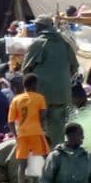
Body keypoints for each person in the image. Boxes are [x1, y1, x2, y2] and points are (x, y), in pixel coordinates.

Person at [21, 15, 78, 146]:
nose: (35, 27)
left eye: (36, 25)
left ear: (40, 27)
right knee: (58, 132)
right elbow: (74, 67)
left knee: (40, 131)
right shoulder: (65, 43)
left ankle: (44, 160)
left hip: (41, 96)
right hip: (62, 96)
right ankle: (57, 157)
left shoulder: (37, 43)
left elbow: (26, 69)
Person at [8, 73, 49, 183]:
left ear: (24, 85)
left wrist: (16, 135)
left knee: (22, 164)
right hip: (36, 132)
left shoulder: (16, 99)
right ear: (35, 85)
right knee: (46, 160)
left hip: (22, 135)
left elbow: (10, 121)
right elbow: (43, 116)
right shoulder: (40, 97)